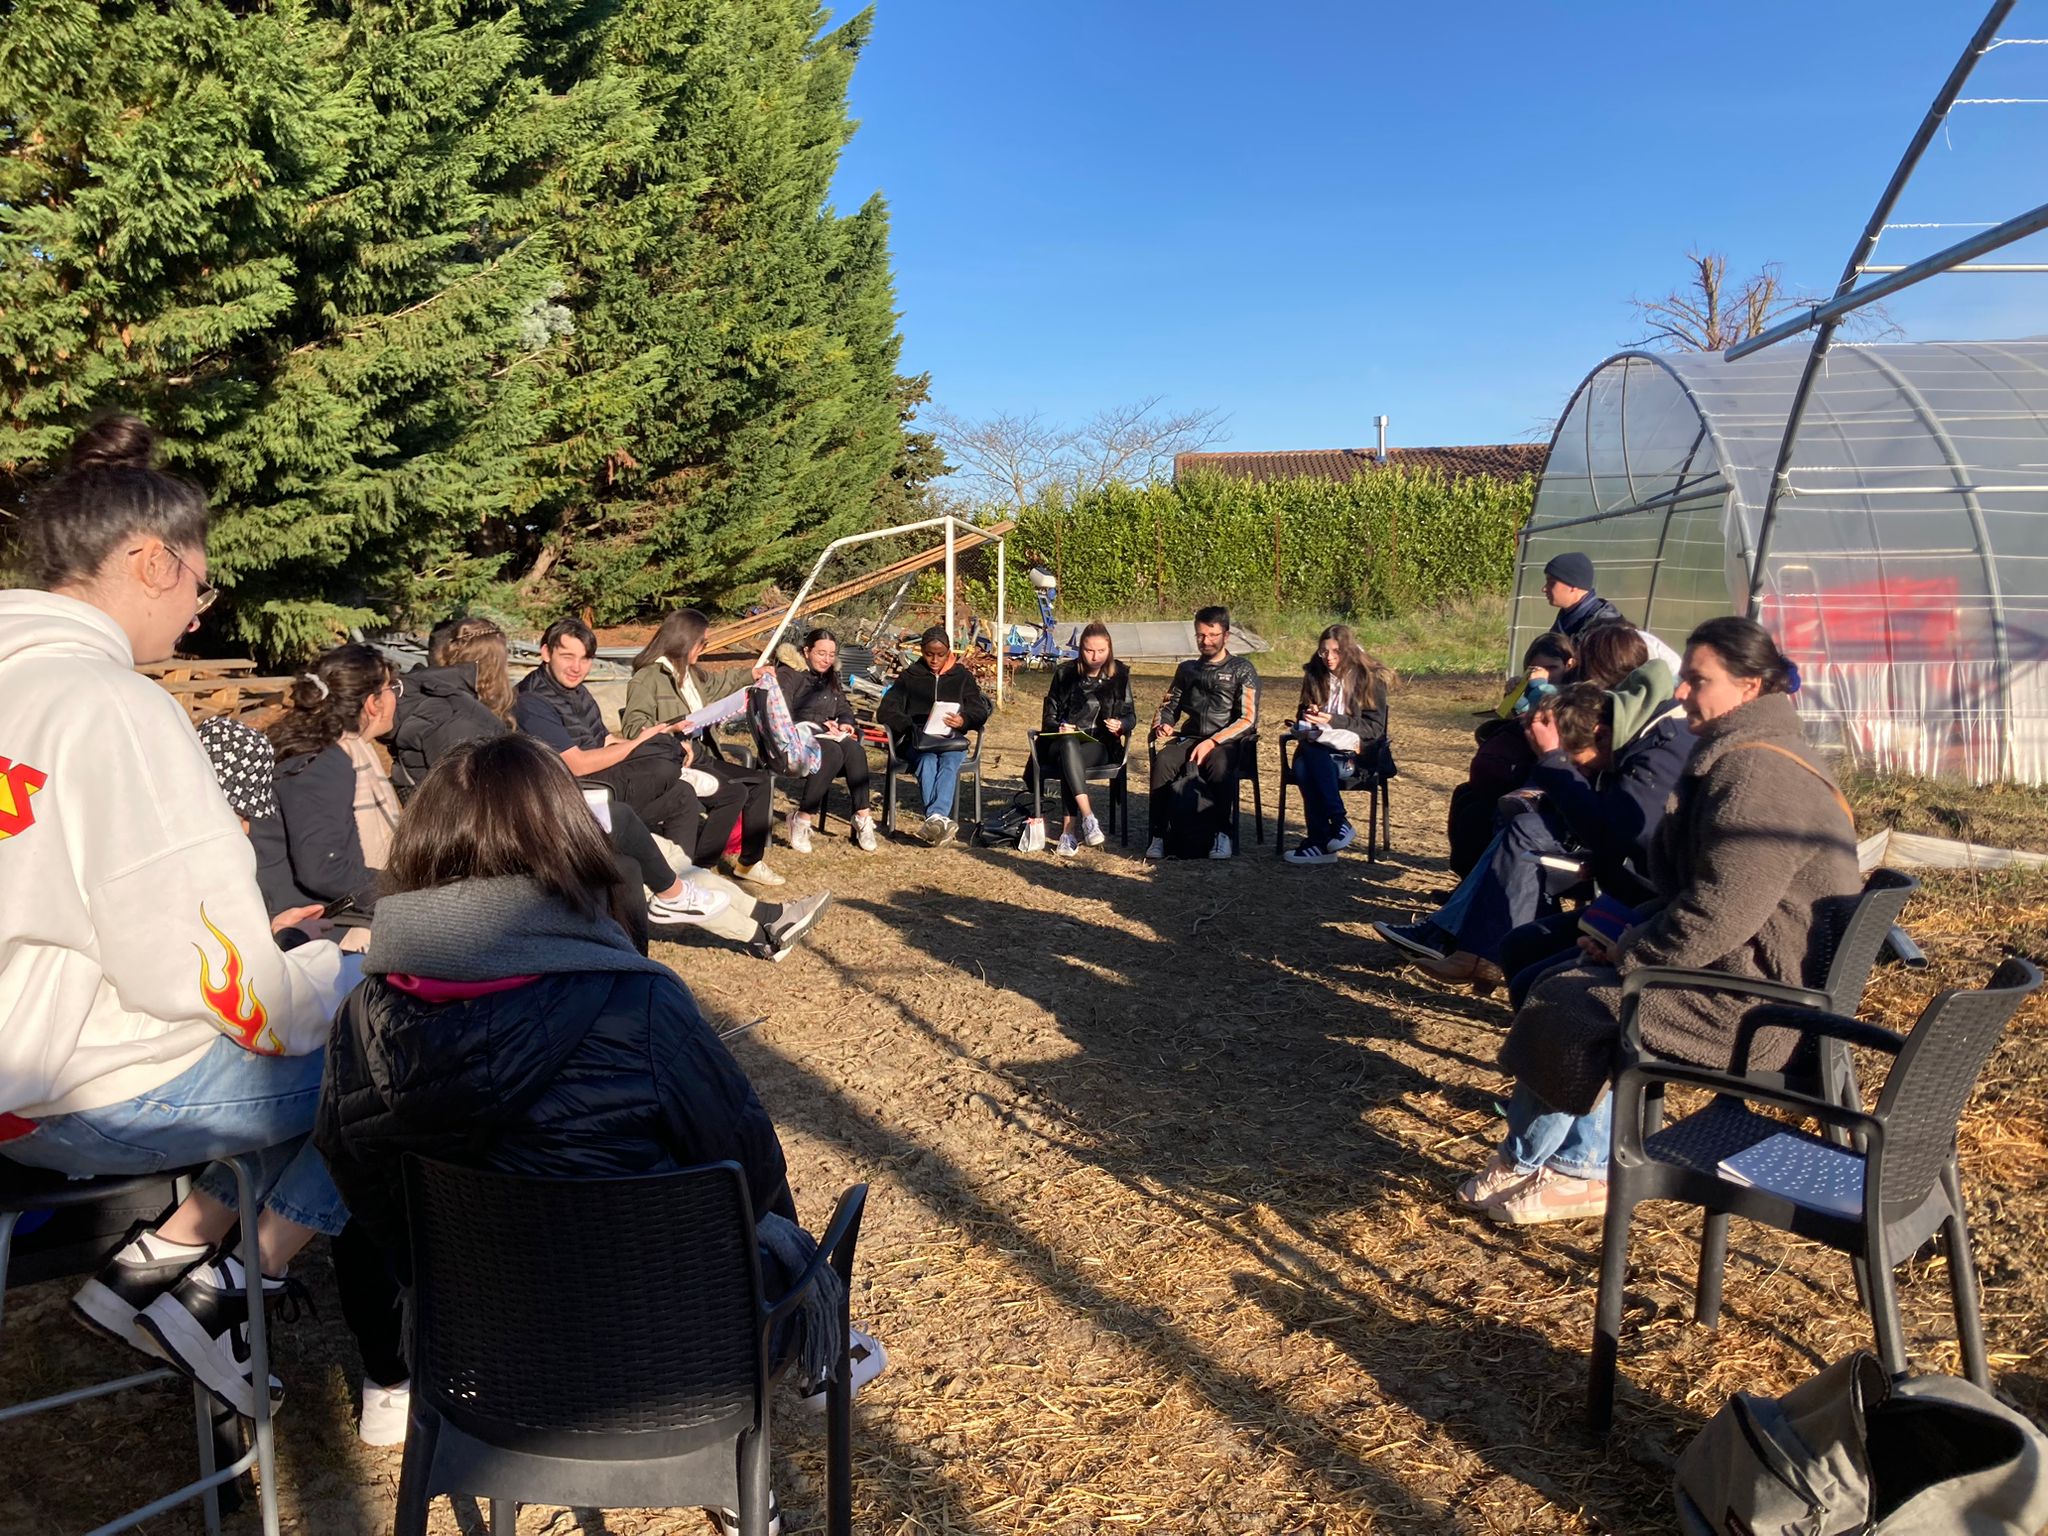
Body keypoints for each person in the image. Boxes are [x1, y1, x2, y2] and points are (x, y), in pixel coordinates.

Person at [312, 733, 886, 1517]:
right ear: (568, 840)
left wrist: (437, 1281)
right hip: (679, 1363)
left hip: (480, 1360)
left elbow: (359, 1183)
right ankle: (752, 1458)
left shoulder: (362, 1015)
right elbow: (748, 1176)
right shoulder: (642, 1003)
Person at [0, 417, 358, 1418]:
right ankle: (223, 1294)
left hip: (28, 1062)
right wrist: (331, 977)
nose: (200, 615)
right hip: (76, 1094)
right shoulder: (109, 705)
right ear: (150, 561)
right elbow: (216, 982)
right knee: (416, 1053)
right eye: (203, 586)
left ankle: (159, 1261)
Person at [1460, 616, 1861, 1227]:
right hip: (1742, 971)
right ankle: (1530, 1155)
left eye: (1696, 680)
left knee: (1573, 1002)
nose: (1679, 692)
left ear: (1749, 687)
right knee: (1562, 976)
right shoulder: (1739, 755)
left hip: (1763, 1007)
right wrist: (1620, 937)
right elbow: (1692, 893)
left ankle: (1583, 1171)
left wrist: (1628, 954)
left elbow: (1719, 912)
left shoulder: (1760, 776)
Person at [1377, 658, 1693, 985]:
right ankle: (1480, 951)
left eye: (1581, 765)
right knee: (1515, 831)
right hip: (1633, 880)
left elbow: (1623, 835)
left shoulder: (1656, 755)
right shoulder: (1634, 740)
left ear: (1601, 734)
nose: (1583, 775)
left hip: (1654, 900)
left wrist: (1556, 764)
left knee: (1523, 839)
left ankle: (1476, 951)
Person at [516, 616, 745, 870]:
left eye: (585, 659)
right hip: (575, 793)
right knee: (661, 764)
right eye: (567, 656)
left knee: (683, 794)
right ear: (546, 653)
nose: (577, 667)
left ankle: (685, 878)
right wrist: (643, 744)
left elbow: (606, 739)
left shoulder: (577, 691)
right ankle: (673, 768)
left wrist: (659, 735)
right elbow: (576, 764)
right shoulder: (532, 701)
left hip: (601, 779)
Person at [621, 608, 784, 886]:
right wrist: (671, 731)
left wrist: (752, 674)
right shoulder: (647, 678)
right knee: (732, 793)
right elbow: (634, 727)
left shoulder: (691, 675)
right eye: (703, 643)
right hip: (673, 759)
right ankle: (701, 868)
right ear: (684, 640)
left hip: (701, 753)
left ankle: (749, 862)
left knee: (760, 781)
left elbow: (720, 684)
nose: (705, 648)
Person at [247, 643, 402, 926]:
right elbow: (324, 867)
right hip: (308, 927)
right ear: (372, 702)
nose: (396, 697)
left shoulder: (320, 749)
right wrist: (404, 891)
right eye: (392, 688)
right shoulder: (322, 762)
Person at [1445, 632, 1577, 877]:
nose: (1546, 673)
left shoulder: (1576, 695)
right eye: (1537, 668)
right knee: (1465, 799)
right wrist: (1516, 698)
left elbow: (1553, 713)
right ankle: (1467, 881)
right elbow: (1520, 719)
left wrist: (1538, 685)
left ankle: (1480, 885)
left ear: (1570, 665)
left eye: (1553, 667)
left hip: (1541, 781)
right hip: (1516, 769)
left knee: (1482, 814)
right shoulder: (1540, 690)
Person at [1146, 606, 1260, 861]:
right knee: (1164, 761)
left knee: (1219, 764)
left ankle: (1222, 833)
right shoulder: (1187, 669)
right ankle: (1159, 835)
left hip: (1229, 742)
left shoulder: (1243, 669)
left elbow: (1248, 718)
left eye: (1212, 635)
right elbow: (1169, 705)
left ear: (1226, 636)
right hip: (1191, 738)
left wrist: (1213, 742)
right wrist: (1163, 723)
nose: (1205, 641)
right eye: (1200, 635)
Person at [1020, 621, 1135, 856]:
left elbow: (1131, 715)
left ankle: (1068, 833)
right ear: (1080, 648)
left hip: (1100, 744)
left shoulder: (1120, 674)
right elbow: (1048, 718)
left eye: (1101, 651)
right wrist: (1059, 726)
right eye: (1089, 650)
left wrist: (1120, 724)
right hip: (1059, 743)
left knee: (1071, 762)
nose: (1095, 656)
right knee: (1069, 745)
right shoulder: (1065, 673)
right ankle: (1089, 818)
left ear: (1109, 649)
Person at [1283, 625, 1394, 865]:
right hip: (1321, 749)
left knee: (1307, 762)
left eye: (1336, 651)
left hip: (1355, 755)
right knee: (1307, 758)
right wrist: (1308, 716)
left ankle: (1321, 839)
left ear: (1349, 650)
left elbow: (1375, 729)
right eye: (1323, 652)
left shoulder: (1369, 678)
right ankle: (1335, 828)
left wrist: (1333, 719)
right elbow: (1303, 712)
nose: (1329, 658)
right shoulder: (1315, 673)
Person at [876, 626, 992, 846]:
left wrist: (963, 720)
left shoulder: (962, 677)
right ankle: (937, 819)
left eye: (941, 654)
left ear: (949, 652)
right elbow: (886, 711)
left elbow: (979, 710)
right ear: (921, 651)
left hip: (951, 741)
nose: (935, 659)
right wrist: (911, 725)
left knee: (949, 763)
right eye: (929, 654)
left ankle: (934, 818)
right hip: (918, 741)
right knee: (927, 761)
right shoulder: (910, 677)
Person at [386, 616, 516, 801]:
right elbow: (465, 795)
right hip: (443, 820)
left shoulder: (443, 698)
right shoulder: (455, 715)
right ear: (495, 666)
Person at [775, 627, 880, 853]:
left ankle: (862, 817)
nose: (827, 659)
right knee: (831, 751)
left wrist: (844, 722)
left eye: (832, 654)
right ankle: (802, 819)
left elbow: (843, 705)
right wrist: (822, 725)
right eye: (821, 653)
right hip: (794, 740)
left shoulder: (832, 675)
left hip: (823, 736)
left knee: (855, 751)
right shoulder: (790, 674)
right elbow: (782, 713)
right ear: (806, 651)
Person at [1539, 551, 1624, 640]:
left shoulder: (1606, 630)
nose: (1544, 589)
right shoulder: (1566, 618)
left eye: (1552, 583)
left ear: (1573, 585)